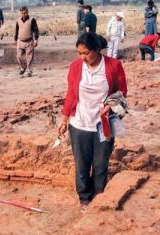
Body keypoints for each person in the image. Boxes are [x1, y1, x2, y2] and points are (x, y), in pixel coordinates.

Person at [57, 32, 128, 213]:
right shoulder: (75, 67)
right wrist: (64, 119)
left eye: (86, 53)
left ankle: (99, 195)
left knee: (100, 164)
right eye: (79, 53)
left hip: (103, 124)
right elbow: (71, 94)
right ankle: (85, 198)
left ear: (97, 49)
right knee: (82, 164)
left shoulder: (113, 66)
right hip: (79, 124)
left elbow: (121, 92)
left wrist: (110, 107)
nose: (82, 57)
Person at [14, 6, 39, 77]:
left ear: (27, 12)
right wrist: (15, 40)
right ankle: (23, 68)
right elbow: (16, 30)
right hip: (20, 41)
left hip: (29, 41)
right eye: (22, 13)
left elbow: (35, 30)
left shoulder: (32, 20)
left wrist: (36, 39)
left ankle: (29, 71)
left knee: (29, 57)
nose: (23, 14)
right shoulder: (18, 20)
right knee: (19, 56)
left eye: (25, 13)